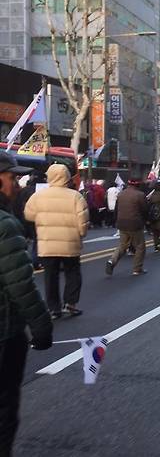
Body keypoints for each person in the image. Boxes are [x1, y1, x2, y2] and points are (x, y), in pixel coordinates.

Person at [0, 152, 53, 456]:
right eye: (11, 178)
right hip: (4, 334)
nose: (17, 184)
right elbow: (20, 285)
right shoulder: (5, 225)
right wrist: (42, 326)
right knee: (4, 409)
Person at [24, 164, 89, 318]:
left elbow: (28, 215)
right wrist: (81, 233)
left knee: (50, 276)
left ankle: (54, 308)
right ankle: (71, 303)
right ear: (67, 177)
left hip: (47, 243)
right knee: (72, 272)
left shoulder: (38, 196)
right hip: (70, 242)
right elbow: (83, 220)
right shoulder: (75, 196)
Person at [106, 179, 148, 276]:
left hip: (122, 223)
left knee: (122, 245)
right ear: (138, 185)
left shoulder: (121, 194)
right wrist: (146, 221)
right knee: (140, 246)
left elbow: (116, 209)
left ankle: (112, 261)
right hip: (135, 223)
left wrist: (116, 221)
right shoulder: (140, 195)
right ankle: (137, 269)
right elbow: (145, 210)